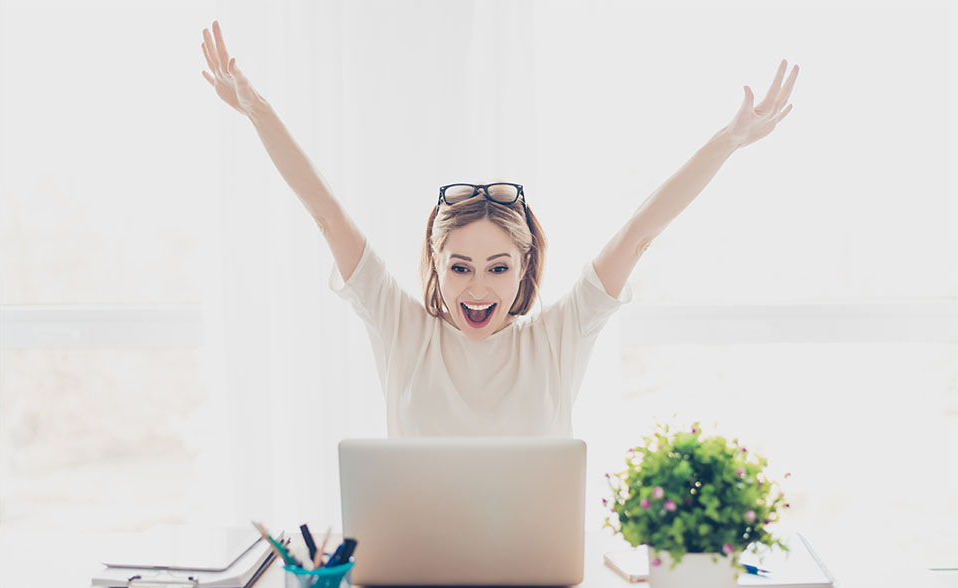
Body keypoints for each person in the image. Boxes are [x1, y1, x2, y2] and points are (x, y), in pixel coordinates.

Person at [200, 20, 798, 437]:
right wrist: (257, 109)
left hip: (534, 577)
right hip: (418, 571)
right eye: (459, 268)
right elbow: (326, 212)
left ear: (524, 268)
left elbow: (640, 231)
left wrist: (731, 140)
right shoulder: (401, 327)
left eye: (498, 268)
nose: (478, 289)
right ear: (435, 266)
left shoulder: (560, 337)